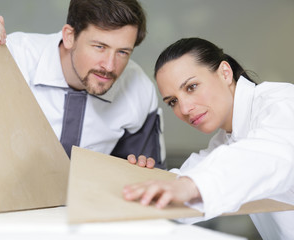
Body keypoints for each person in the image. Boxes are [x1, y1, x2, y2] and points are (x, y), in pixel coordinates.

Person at [0, 0, 166, 204]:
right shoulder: (12, 54)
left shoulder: (138, 88)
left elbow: (145, 182)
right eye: (99, 47)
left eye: (123, 52)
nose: (109, 65)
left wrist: (141, 174)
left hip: (82, 209)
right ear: (69, 36)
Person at [123, 37, 294, 240]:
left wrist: (189, 186)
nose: (184, 109)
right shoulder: (224, 142)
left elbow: (266, 157)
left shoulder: (282, 102)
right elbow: (188, 184)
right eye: (173, 101)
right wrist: (141, 180)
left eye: (191, 87)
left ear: (225, 73)